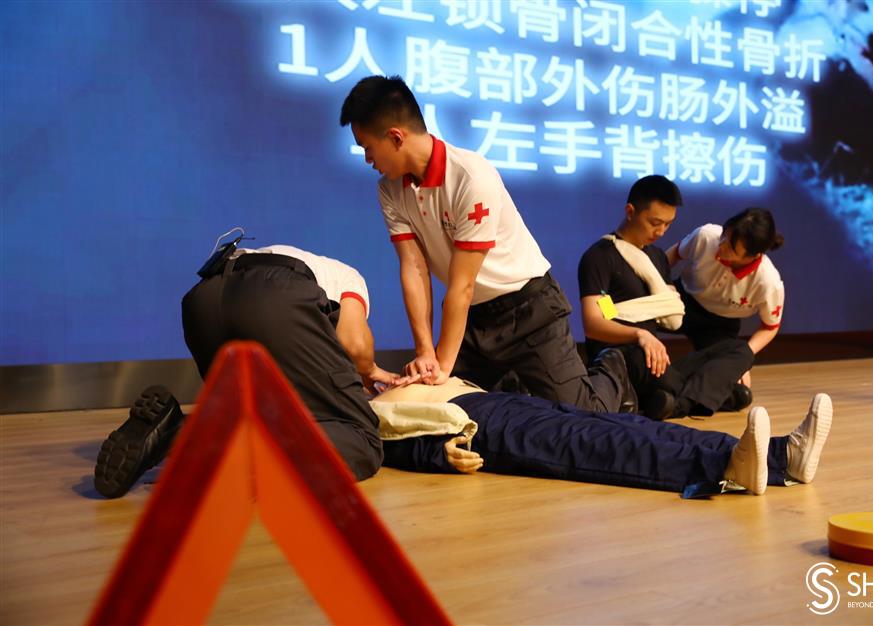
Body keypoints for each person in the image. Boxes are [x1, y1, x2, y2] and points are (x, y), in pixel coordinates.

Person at [339, 75, 630, 413]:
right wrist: (426, 352)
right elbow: (414, 267)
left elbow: (461, 285)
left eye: (367, 148)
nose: (367, 159)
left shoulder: (471, 177)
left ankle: (612, 366)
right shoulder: (389, 190)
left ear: (395, 137)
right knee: (443, 409)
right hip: (476, 320)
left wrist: (443, 366)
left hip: (529, 309)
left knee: (585, 419)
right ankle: (517, 383)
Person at [94, 244, 398, 498]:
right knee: (362, 440)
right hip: (276, 297)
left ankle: (176, 433)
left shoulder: (310, 264)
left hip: (204, 303)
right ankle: (246, 459)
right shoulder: (352, 278)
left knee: (257, 418)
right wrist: (368, 371)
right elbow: (356, 346)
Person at [377, 377, 833, 497]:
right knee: (593, 446)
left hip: (496, 401)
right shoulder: (347, 405)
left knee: (630, 425)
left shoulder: (375, 379)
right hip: (478, 427)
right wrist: (435, 453)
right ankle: (726, 469)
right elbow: (376, 442)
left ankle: (781, 456)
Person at [578, 175, 755, 420]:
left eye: (668, 224)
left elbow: (673, 313)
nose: (660, 231)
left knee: (740, 349)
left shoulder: (658, 257)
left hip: (657, 362)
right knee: (731, 393)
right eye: (654, 222)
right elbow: (593, 323)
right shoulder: (599, 257)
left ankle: (673, 404)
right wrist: (639, 334)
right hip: (623, 357)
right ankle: (701, 398)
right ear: (630, 212)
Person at [665, 208, 785, 389]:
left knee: (737, 386)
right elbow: (675, 254)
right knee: (631, 314)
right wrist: (659, 283)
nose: (721, 246)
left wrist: (741, 356)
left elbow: (770, 327)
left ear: (754, 256)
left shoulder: (768, 282)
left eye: (731, 248)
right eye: (724, 236)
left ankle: (673, 391)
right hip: (682, 299)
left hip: (719, 324)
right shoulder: (706, 236)